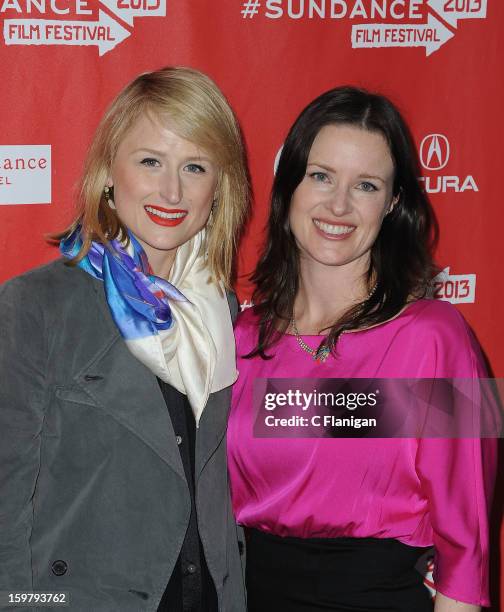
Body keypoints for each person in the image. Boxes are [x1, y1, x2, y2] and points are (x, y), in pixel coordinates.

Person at [227, 87, 497, 611]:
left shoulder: (438, 339)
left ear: (394, 203)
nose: (339, 205)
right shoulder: (241, 338)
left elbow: (469, 549)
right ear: (290, 186)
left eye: (366, 185)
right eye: (321, 176)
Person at [0, 66, 249, 612]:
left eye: (195, 166)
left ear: (218, 186)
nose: (171, 190)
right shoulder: (37, 306)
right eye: (150, 161)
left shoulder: (220, 312)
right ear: (109, 172)